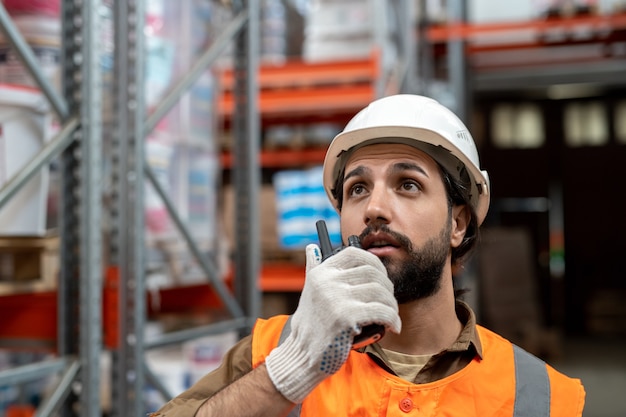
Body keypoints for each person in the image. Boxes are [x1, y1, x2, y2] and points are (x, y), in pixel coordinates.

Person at [151, 94, 585, 417]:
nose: (374, 207)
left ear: (458, 224)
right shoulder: (272, 351)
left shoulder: (545, 397)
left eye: (407, 184)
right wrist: (288, 373)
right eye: (357, 189)